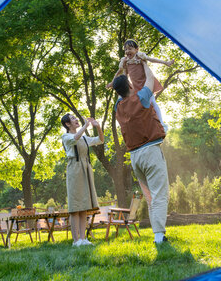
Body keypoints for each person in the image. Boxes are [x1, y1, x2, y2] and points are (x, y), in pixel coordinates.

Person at [112, 60, 169, 244]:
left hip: (135, 158)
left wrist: (121, 68)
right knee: (159, 194)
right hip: (150, 152)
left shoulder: (118, 107)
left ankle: (158, 234)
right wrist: (144, 62)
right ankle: (159, 236)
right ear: (129, 85)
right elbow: (150, 79)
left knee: (151, 197)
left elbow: (117, 86)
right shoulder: (142, 96)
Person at [107, 39, 174, 131]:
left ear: (137, 49)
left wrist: (165, 62)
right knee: (144, 105)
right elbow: (120, 71)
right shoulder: (125, 61)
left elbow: (152, 59)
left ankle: (161, 122)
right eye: (126, 49)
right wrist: (112, 82)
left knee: (152, 102)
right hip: (136, 86)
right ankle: (150, 124)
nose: (127, 51)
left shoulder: (140, 56)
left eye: (130, 49)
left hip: (146, 83)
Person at [61, 113, 104, 246]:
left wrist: (98, 127)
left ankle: (83, 239)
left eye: (75, 118)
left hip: (85, 168)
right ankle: (76, 240)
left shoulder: (84, 138)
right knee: (75, 206)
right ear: (67, 124)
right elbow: (75, 138)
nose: (76, 120)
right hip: (74, 168)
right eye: (73, 119)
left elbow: (100, 140)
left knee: (84, 205)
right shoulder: (66, 137)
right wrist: (86, 125)